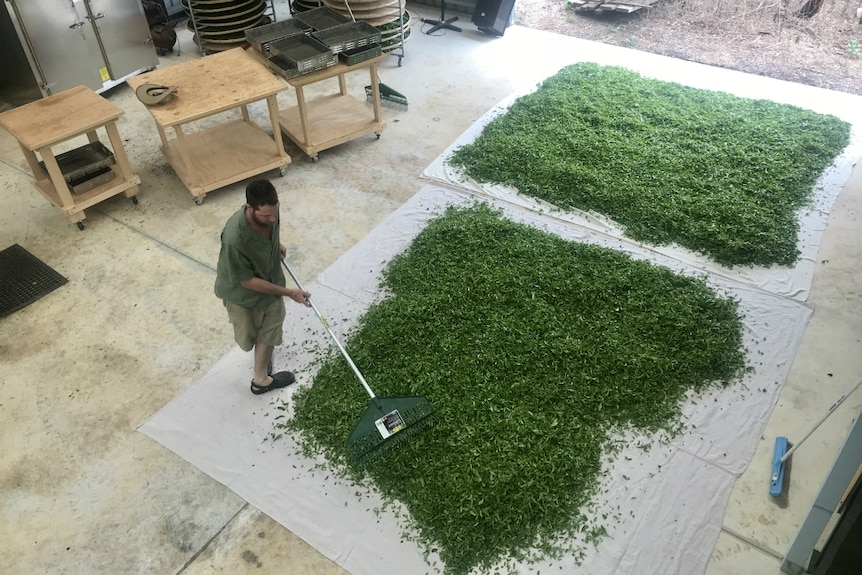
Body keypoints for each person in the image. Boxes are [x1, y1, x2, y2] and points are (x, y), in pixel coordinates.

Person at [214, 179, 311, 395]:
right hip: (243, 294)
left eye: (274, 213)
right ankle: (261, 357)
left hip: (270, 279)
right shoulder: (234, 238)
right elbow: (247, 281)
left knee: (271, 325)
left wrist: (274, 245)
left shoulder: (270, 210)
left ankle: (260, 381)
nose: (273, 218)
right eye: (266, 216)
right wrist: (289, 292)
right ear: (250, 208)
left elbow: (271, 229)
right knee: (251, 333)